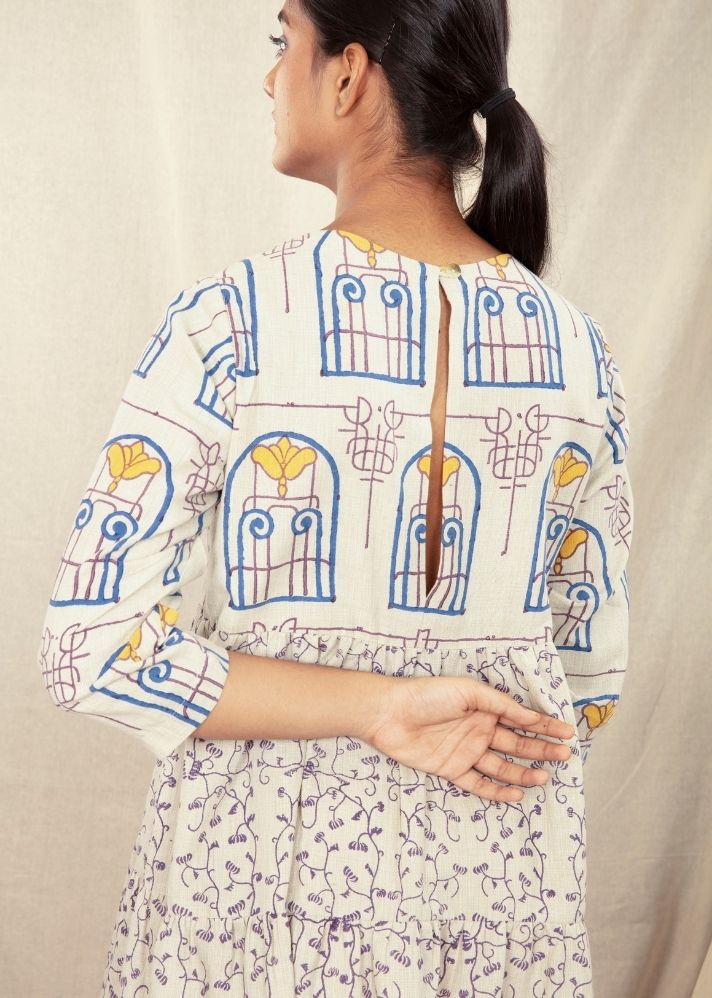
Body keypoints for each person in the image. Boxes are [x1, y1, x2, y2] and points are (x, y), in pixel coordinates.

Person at [37, 1, 634, 994]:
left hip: (253, 894)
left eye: (285, 42)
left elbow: (92, 648)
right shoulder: (582, 355)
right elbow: (588, 682)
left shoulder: (230, 324)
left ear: (349, 73)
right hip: (498, 905)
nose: (270, 75)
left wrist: (369, 704)